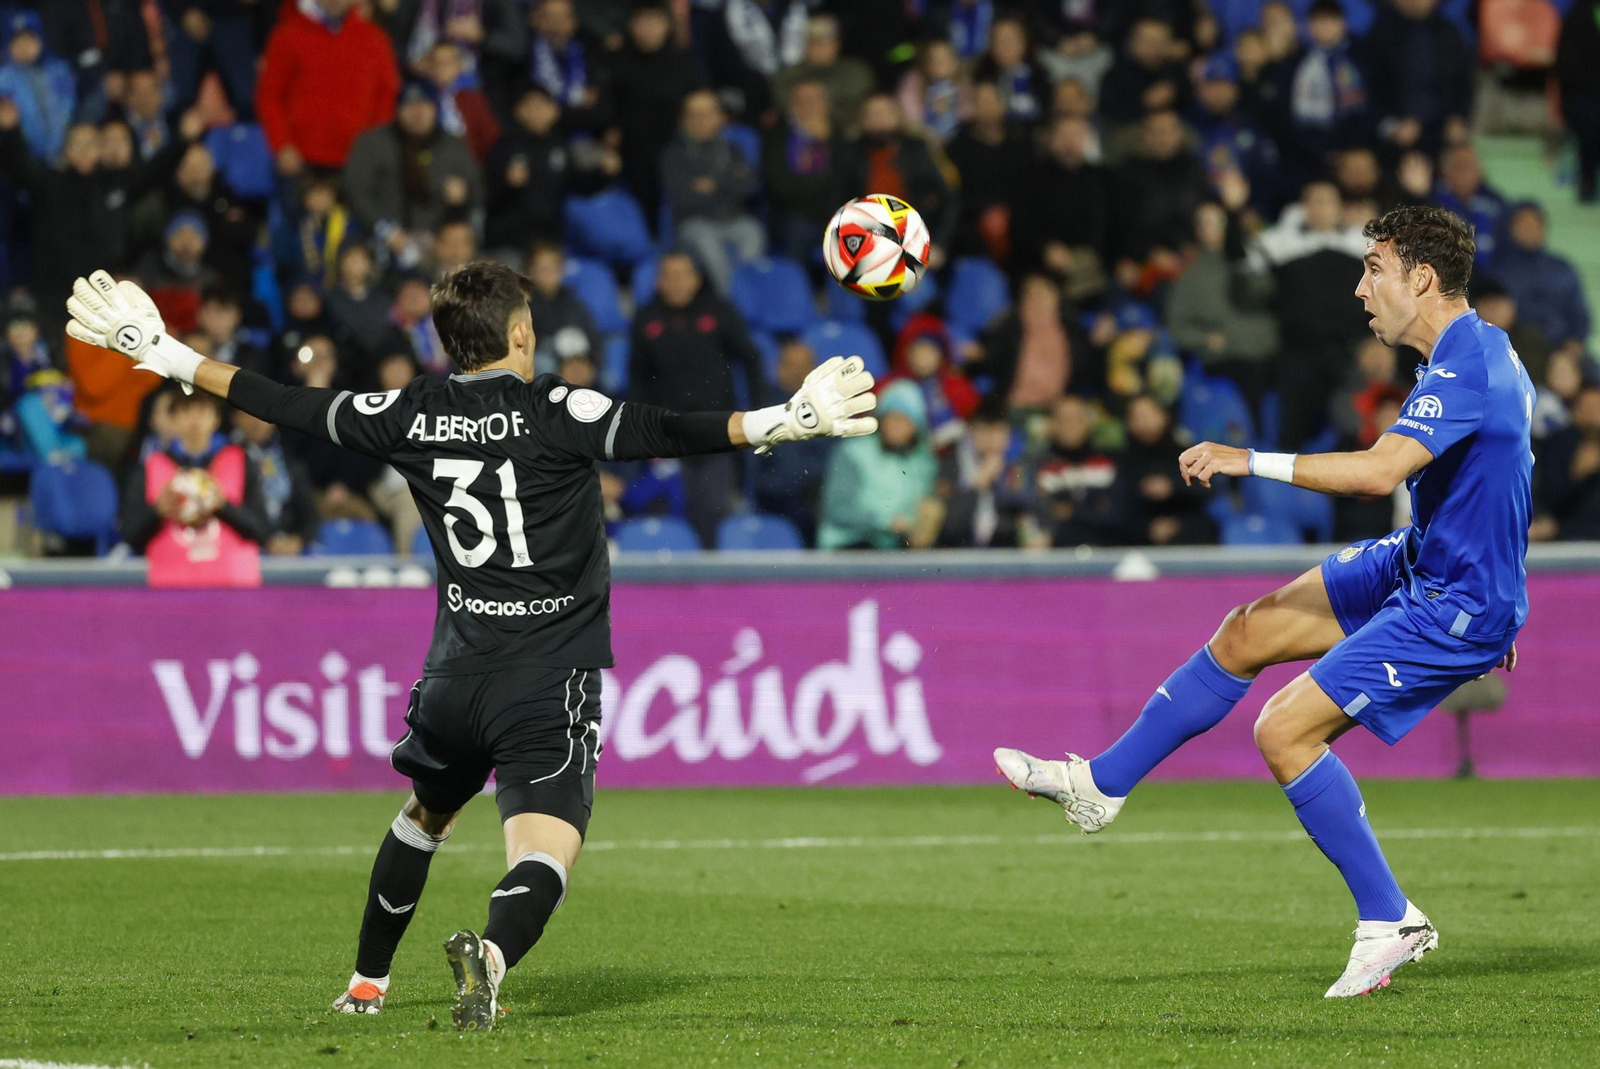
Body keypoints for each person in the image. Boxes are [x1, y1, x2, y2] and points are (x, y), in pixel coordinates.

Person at [65, 260, 878, 1030]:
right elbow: (666, 430)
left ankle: (365, 984)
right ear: (519, 336)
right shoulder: (558, 409)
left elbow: (282, 400)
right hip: (545, 675)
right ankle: (489, 954)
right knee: (547, 849)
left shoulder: (409, 411)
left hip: (454, 674)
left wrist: (163, 353)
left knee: (424, 815)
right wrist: (786, 420)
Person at [995, 206, 1531, 999]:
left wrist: (1246, 458)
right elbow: (1508, 471)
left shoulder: (1468, 363)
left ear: (1421, 278)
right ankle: (1100, 785)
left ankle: (1390, 919)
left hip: (1452, 598)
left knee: (1283, 730)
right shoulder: (1464, 352)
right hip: (1430, 563)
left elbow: (1378, 473)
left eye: (1373, 269)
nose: (1360, 289)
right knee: (1247, 630)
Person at [628, 251, 766, 545]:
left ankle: (712, 586)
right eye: (667, 276)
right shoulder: (646, 318)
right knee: (668, 515)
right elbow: (636, 380)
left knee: (714, 515)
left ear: (696, 279)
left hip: (716, 435)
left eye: (681, 275)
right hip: (664, 438)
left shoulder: (718, 310)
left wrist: (758, 412)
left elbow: (751, 357)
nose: (675, 283)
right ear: (658, 281)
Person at [257, 0, 401, 177]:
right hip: (300, 160)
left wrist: (373, 145)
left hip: (357, 159)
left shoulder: (375, 39)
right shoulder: (287, 35)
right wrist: (281, 145)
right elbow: (270, 96)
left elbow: (386, 95)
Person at [660, 90, 764, 296]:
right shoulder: (674, 155)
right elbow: (684, 198)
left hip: (735, 219)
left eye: (707, 114)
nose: (702, 121)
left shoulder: (732, 150)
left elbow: (750, 186)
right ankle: (729, 306)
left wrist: (713, 185)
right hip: (695, 223)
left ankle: (745, 299)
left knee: (754, 234)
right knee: (711, 250)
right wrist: (727, 185)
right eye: (695, 115)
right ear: (684, 120)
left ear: (719, 117)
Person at [817, 380, 940, 550]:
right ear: (880, 420)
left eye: (904, 420)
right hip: (848, 544)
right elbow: (837, 508)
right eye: (892, 418)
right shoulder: (853, 452)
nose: (897, 426)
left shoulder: (923, 461)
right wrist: (886, 522)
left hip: (894, 548)